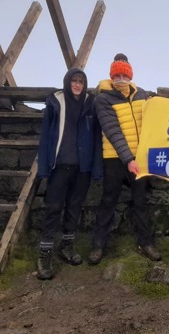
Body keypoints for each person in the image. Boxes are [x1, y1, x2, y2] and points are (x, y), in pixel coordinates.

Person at [88, 53, 161, 264]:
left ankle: (146, 243)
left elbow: (155, 120)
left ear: (130, 75)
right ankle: (98, 246)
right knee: (108, 201)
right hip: (114, 159)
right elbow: (112, 130)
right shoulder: (102, 99)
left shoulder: (142, 96)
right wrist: (129, 159)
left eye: (124, 74)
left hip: (139, 158)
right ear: (111, 76)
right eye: (117, 75)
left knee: (140, 202)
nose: (121, 78)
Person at [36, 68, 101, 280]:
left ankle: (66, 246)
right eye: (74, 80)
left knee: (74, 207)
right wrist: (44, 168)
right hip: (59, 166)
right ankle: (45, 253)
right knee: (54, 208)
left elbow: (98, 139)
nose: (77, 85)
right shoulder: (56, 102)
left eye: (81, 81)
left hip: (82, 168)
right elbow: (45, 137)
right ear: (67, 82)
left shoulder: (91, 104)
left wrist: (96, 169)